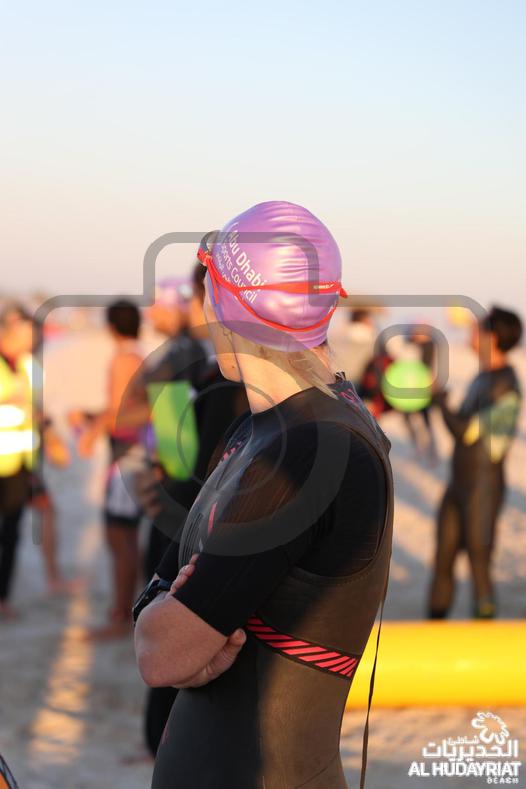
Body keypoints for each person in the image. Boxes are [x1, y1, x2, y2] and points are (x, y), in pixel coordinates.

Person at [134, 201, 394, 788]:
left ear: (227, 304)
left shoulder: (309, 450)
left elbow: (159, 654)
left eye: (210, 290)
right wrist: (166, 616)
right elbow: (156, 602)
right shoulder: (262, 430)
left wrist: (171, 621)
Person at [137, 263, 248, 758]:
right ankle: (159, 741)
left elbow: (173, 450)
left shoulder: (188, 357)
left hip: (185, 509)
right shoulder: (223, 363)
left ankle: (157, 742)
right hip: (197, 510)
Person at [428, 305, 523, 619]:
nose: (470, 333)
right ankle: (434, 628)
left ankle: (485, 630)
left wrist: (439, 399)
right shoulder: (483, 376)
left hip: (484, 487)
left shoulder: (504, 382)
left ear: (492, 337)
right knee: (442, 560)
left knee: (479, 562)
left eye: (476, 328)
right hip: (459, 483)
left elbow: (464, 431)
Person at [75, 300, 145, 638]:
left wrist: (91, 431)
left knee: (119, 536)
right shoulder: (140, 356)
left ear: (111, 327)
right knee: (127, 536)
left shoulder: (123, 359)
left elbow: (118, 412)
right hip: (137, 451)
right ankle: (127, 611)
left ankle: (120, 617)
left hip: (127, 453)